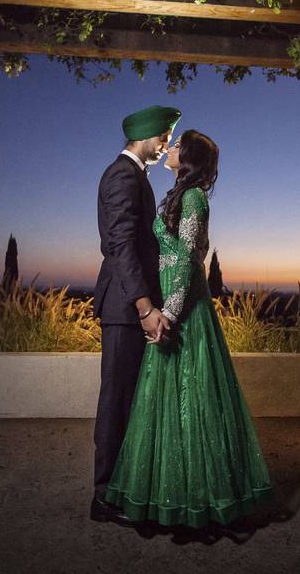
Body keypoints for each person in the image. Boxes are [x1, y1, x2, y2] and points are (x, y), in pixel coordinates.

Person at [103, 129, 274, 529]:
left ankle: (196, 500)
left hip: (183, 311)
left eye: (178, 145)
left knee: (192, 400)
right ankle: (169, 494)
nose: (171, 148)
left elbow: (187, 262)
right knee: (168, 403)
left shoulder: (194, 197)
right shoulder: (182, 194)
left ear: (190, 156)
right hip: (167, 302)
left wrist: (170, 315)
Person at [90, 105, 181, 527]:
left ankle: (128, 488)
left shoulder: (136, 178)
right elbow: (121, 246)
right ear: (145, 136)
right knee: (118, 400)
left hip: (132, 306)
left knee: (131, 400)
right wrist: (144, 307)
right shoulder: (122, 176)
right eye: (164, 136)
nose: (166, 144)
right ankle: (105, 497)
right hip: (126, 309)